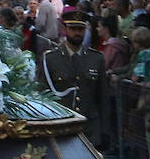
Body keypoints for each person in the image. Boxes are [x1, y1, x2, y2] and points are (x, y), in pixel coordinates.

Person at [38, 11, 106, 147]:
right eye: (73, 29)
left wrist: (105, 132)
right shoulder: (51, 59)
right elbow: (42, 95)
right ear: (65, 29)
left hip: (89, 128)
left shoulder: (96, 59)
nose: (77, 33)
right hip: (61, 127)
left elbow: (102, 97)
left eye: (80, 29)